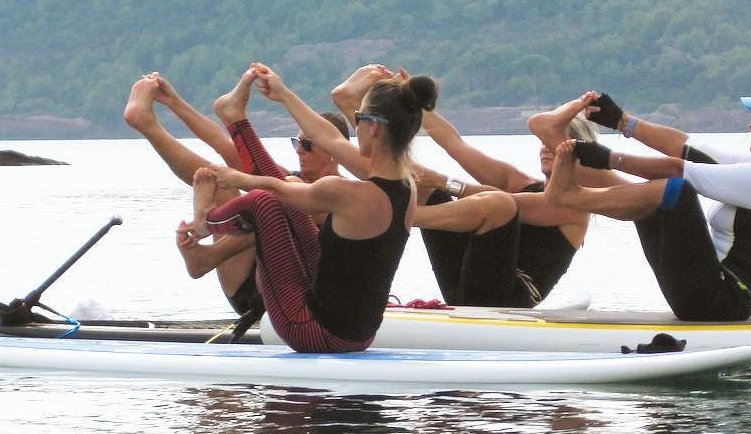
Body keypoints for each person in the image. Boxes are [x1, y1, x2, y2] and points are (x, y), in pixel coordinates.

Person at [189, 63, 438, 353]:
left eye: (357, 119)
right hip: (360, 334)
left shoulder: (350, 193)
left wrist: (236, 179)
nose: (354, 128)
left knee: (264, 202)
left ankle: (206, 222)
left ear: (373, 127)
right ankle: (236, 120)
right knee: (284, 202)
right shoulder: (406, 186)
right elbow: (328, 138)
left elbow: (280, 190)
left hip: (315, 332)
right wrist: (283, 94)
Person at [541, 85, 751, 321]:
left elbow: (677, 169)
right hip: (704, 292)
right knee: (656, 202)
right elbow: (685, 146)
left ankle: (570, 197)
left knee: (677, 190)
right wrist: (622, 121)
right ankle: (573, 195)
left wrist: (607, 157)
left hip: (725, 303)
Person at [123, 71, 349, 319]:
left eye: (307, 145)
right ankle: (148, 126)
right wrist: (175, 102)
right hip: (250, 282)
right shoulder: (289, 180)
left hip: (288, 298)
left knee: (274, 200)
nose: (299, 152)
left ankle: (207, 248)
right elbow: (222, 143)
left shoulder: (339, 194)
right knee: (224, 182)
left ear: (332, 151)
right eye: (296, 143)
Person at [405, 98, 594, 308]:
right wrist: (413, 100)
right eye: (543, 141)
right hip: (466, 283)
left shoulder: (576, 206)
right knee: (421, 187)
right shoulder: (525, 183)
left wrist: (442, 181)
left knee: (499, 205)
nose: (544, 148)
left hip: (508, 300)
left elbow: (499, 203)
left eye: (553, 142)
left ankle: (398, 218)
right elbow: (456, 145)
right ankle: (375, 201)